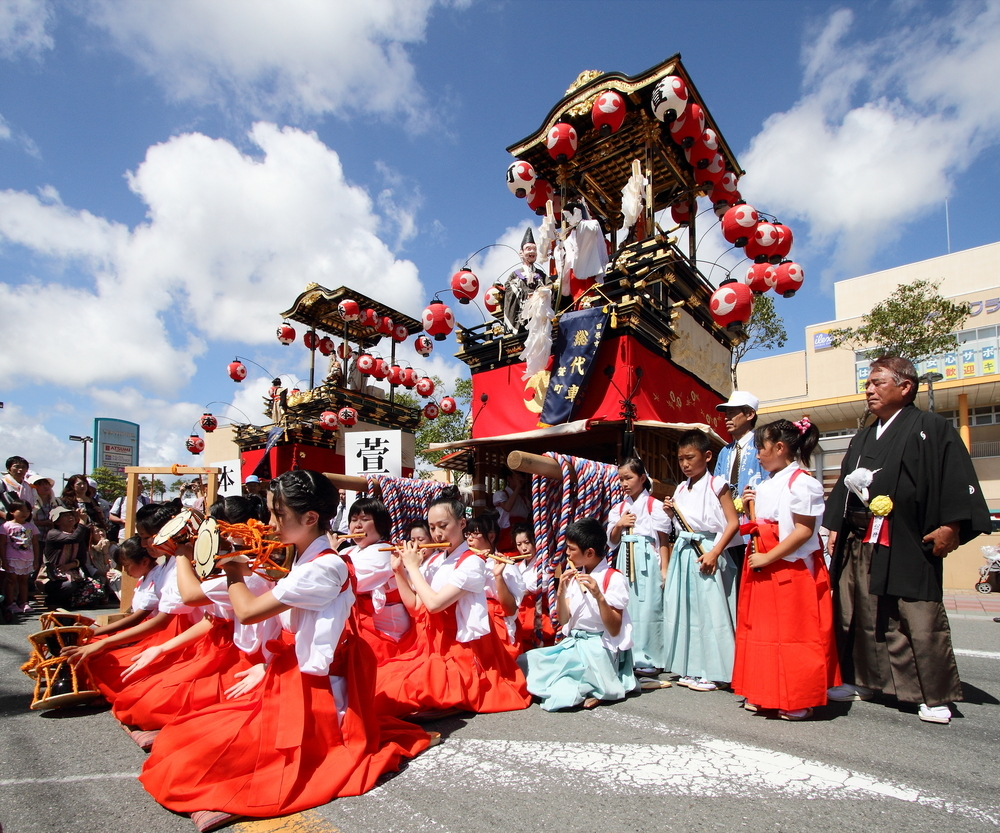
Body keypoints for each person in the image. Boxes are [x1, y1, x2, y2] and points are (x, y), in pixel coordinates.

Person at [139, 470, 431, 832]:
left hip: (318, 689)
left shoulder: (322, 566)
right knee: (184, 740)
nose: (270, 523)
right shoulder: (306, 558)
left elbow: (245, 610)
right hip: (295, 672)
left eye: (278, 514)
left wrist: (233, 572)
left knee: (203, 760)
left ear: (310, 518)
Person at [823, 356, 990, 724]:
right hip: (860, 538)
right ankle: (862, 679)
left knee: (916, 612)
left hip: (908, 537)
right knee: (858, 609)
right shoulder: (866, 434)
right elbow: (844, 485)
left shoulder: (930, 427)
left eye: (878, 382)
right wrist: (835, 525)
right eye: (867, 384)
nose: (869, 390)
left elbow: (955, 478)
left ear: (906, 386)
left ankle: (933, 694)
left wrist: (953, 526)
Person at [377, 486, 531, 718]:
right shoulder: (435, 561)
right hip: (432, 641)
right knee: (386, 680)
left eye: (443, 526)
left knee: (411, 691)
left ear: (461, 524)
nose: (437, 534)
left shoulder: (473, 563)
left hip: (461, 646)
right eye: (432, 527)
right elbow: (417, 607)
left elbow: (435, 604)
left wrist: (412, 568)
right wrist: (400, 571)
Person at [732, 418, 840, 721]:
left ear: (780, 448)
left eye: (761, 448)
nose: (758, 454)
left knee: (794, 636)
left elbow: (803, 532)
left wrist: (768, 558)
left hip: (789, 568)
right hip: (765, 566)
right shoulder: (768, 482)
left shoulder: (803, 482)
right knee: (764, 632)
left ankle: (797, 697)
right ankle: (766, 692)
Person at [526, 518, 638, 711]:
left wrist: (599, 597)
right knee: (528, 663)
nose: (567, 553)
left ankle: (599, 686)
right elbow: (563, 620)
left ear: (589, 552)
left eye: (571, 549)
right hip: (575, 643)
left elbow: (614, 628)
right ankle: (592, 685)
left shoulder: (614, 578)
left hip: (599, 647)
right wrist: (560, 594)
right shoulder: (576, 574)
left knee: (561, 692)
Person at [661, 430, 740, 691]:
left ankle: (715, 670)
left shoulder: (718, 484)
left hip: (707, 549)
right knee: (688, 610)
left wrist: (715, 552)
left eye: (690, 457)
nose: (684, 464)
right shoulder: (682, 487)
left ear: (707, 456)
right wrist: (671, 512)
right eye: (681, 459)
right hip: (685, 550)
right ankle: (692, 667)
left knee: (711, 611)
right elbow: (682, 524)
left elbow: (733, 523)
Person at [607, 457, 672, 675]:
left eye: (629, 478)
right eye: (621, 479)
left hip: (647, 556)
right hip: (625, 555)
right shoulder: (620, 508)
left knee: (649, 605)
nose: (624, 483)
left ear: (642, 478)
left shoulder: (654, 505)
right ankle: (629, 655)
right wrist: (619, 524)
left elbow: (663, 539)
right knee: (628, 604)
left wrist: (665, 568)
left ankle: (651, 657)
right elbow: (612, 540)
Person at [343, 497, 413, 663]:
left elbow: (349, 580)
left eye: (365, 519)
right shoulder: (350, 550)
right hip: (364, 624)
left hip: (386, 630)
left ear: (380, 524)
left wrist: (330, 552)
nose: (357, 525)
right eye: (353, 520)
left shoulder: (383, 551)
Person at [714, 391, 766, 580]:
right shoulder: (724, 452)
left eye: (732, 413)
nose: (726, 418)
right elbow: (716, 487)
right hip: (728, 528)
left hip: (754, 526)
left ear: (750, 414)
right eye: (725, 414)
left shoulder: (761, 445)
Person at [466, 513, 526, 659]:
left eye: (476, 534)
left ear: (491, 537)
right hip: (470, 621)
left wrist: (498, 576)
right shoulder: (465, 563)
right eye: (467, 534)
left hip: (497, 625)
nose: (469, 539)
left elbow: (511, 609)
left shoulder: (507, 566)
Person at [40, 505, 102, 610]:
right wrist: (82, 522)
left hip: (73, 574)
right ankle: (52, 601)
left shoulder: (78, 534)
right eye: (65, 516)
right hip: (53, 577)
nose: (70, 517)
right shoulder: (53, 534)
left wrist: (72, 565)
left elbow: (82, 558)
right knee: (68, 586)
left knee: (95, 588)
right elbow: (73, 539)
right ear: (57, 521)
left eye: (71, 515)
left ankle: (69, 602)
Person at [510, 523, 555, 651]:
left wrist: (513, 590)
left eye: (527, 542)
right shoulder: (517, 566)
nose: (524, 548)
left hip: (539, 615)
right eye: (519, 545)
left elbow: (537, 586)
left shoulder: (545, 565)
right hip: (521, 616)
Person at [503, 227, 551, 332]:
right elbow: (508, 288)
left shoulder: (540, 274)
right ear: (521, 253)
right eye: (528, 249)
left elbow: (550, 285)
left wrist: (539, 293)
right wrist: (525, 295)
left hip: (538, 311)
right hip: (522, 313)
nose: (532, 251)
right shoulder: (515, 274)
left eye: (534, 249)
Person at [2, 500, 40, 614]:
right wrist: (3, 560)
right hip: (12, 557)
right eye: (21, 510)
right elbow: (2, 544)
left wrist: (36, 559)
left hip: (27, 558)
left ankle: (23, 602)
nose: (25, 513)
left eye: (27, 511)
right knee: (11, 581)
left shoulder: (31, 526)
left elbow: (35, 544)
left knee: (24, 581)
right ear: (12, 511)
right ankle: (10, 603)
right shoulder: (6, 526)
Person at [493, 467, 530, 551]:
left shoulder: (524, 500)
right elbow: (507, 507)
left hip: (523, 536)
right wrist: (518, 487)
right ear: (509, 478)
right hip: (506, 536)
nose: (521, 479)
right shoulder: (500, 494)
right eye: (518, 476)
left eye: (522, 476)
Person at [30, 475, 58, 539]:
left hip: (54, 539)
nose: (45, 486)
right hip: (35, 539)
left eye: (46, 484)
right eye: (40, 485)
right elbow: (24, 520)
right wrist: (42, 523)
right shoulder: (30, 502)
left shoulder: (57, 501)